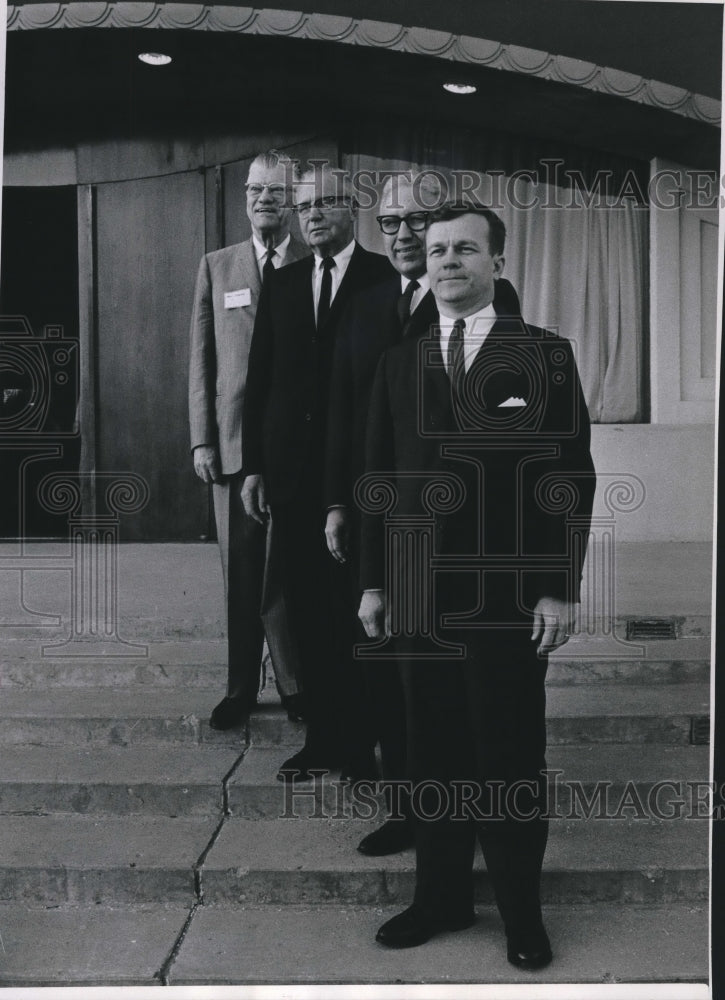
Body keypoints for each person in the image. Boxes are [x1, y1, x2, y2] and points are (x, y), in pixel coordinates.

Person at [359, 202, 595, 968]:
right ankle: (441, 899)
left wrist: (559, 587)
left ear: (495, 261)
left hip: (508, 596)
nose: (447, 263)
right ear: (421, 264)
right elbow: (378, 480)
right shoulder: (398, 361)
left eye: (465, 250)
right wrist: (372, 585)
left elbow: (568, 477)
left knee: (507, 754)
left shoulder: (544, 354)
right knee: (430, 752)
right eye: (435, 251)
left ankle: (521, 914)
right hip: (417, 591)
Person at [325, 172, 523, 855]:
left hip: (474, 562)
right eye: (392, 224)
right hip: (386, 527)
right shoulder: (364, 303)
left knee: (474, 715)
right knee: (397, 687)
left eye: (418, 222)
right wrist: (340, 503)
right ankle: (411, 812)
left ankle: (465, 841)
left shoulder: (491, 310)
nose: (406, 237)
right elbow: (350, 420)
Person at [241, 163, 392, 781]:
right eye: (303, 207)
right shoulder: (283, 280)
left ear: (351, 209)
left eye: (323, 204)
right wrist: (253, 465)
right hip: (293, 476)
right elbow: (261, 378)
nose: (311, 216)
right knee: (305, 608)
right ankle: (325, 740)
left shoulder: (385, 276)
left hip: (360, 471)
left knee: (354, 611)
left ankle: (366, 745)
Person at [188, 149, 309, 731]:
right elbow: (202, 360)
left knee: (287, 572)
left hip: (293, 450)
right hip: (232, 448)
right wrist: (200, 441)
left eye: (277, 191)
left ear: (293, 202)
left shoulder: (314, 263)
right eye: (255, 190)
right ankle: (239, 688)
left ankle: (295, 684)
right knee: (240, 577)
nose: (264, 200)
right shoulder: (218, 265)